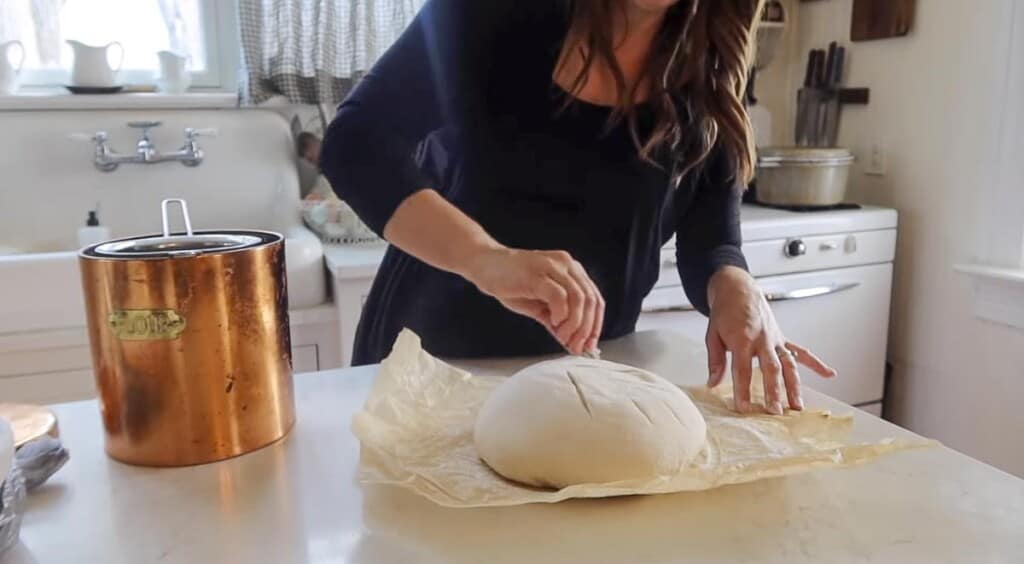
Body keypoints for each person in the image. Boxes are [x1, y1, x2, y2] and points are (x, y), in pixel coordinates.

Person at [321, 0, 836, 414]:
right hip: (432, 372)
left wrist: (737, 289)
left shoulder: (711, 70)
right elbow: (356, 143)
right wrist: (487, 258)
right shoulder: (491, 14)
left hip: (586, 380)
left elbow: (712, 241)